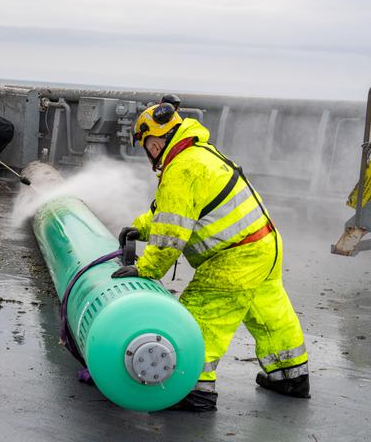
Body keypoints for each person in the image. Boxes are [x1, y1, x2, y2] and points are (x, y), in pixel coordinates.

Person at [113, 102, 309, 411]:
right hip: (264, 245)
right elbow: (170, 214)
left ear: (157, 141)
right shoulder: (201, 154)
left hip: (234, 258)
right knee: (272, 314)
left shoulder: (182, 168)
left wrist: (145, 269)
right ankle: (291, 378)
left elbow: (171, 235)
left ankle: (193, 389)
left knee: (200, 314)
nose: (149, 152)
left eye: (148, 144)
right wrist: (140, 228)